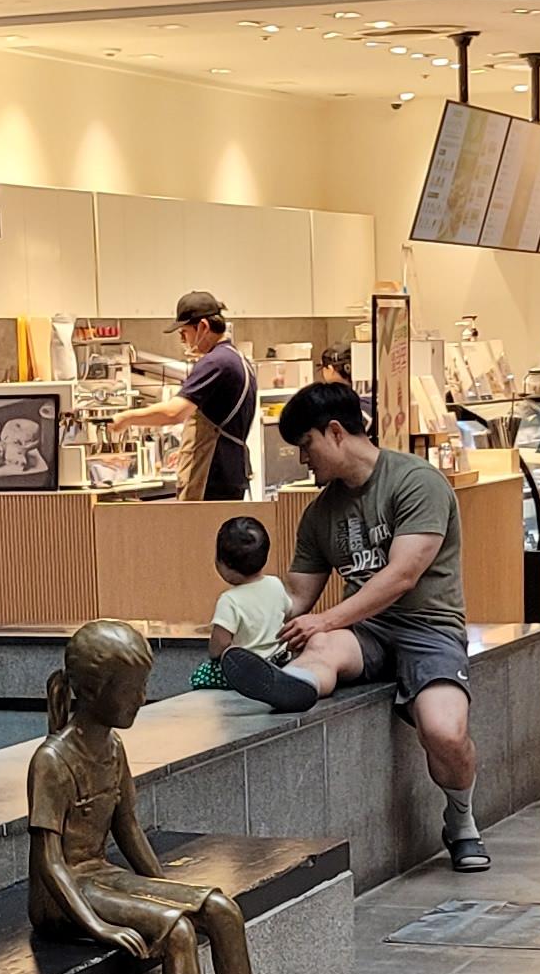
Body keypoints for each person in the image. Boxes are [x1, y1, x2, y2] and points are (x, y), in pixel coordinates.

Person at [28, 621, 336, 974]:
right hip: (63, 898)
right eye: (133, 690)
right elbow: (51, 863)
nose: (142, 699)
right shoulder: (53, 761)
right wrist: (101, 929)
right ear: (95, 692)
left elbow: (128, 829)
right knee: (177, 931)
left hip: (100, 878)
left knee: (220, 909)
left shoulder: (112, 749)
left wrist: (173, 891)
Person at [220, 379, 490, 874]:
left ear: (336, 432)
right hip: (367, 632)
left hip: (429, 628)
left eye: (306, 445)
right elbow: (298, 599)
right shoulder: (319, 514)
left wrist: (325, 618)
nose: (303, 460)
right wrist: (251, 603)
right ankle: (292, 684)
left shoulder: (417, 482)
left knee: (444, 732)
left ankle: (461, 821)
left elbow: (402, 575)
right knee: (322, 644)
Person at [103, 288, 257, 501]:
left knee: (200, 524)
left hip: (210, 475)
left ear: (203, 327)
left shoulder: (214, 362)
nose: (184, 340)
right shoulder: (237, 359)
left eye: (184, 333)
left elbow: (174, 413)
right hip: (229, 471)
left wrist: (125, 418)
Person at [195, 515, 294, 693]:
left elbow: (220, 644)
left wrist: (214, 654)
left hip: (247, 669)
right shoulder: (275, 584)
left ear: (224, 564)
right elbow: (288, 612)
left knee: (200, 675)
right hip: (279, 660)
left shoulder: (229, 600)